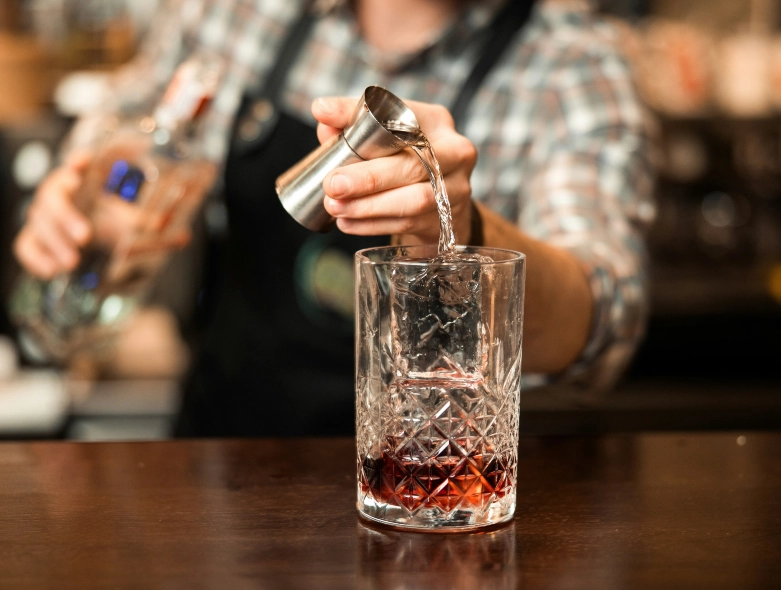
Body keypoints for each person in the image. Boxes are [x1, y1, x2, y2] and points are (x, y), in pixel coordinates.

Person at [13, 0, 653, 436]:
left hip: (425, 504)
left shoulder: (573, 67)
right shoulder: (239, 12)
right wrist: (92, 197)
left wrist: (467, 230)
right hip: (221, 474)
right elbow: (129, 124)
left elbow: (601, 324)